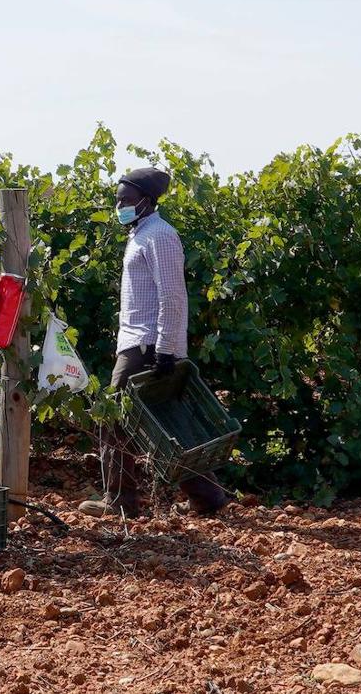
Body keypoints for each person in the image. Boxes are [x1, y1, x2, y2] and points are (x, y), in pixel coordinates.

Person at [78, 167, 228, 518]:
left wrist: (165, 349)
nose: (120, 207)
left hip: (145, 343)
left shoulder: (159, 235)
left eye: (126, 201)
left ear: (148, 200)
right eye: (118, 200)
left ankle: (120, 503)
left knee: (114, 418)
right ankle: (208, 497)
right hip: (137, 340)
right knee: (155, 425)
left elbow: (172, 296)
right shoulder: (140, 233)